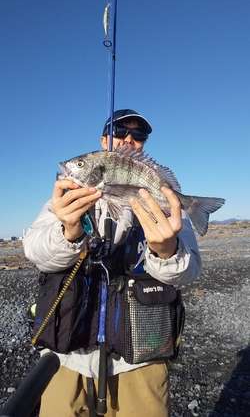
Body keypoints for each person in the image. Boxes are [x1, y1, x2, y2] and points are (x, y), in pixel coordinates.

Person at [23, 108, 202, 417]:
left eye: (139, 135)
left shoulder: (165, 200)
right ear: (105, 139)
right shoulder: (67, 197)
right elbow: (35, 251)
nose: (129, 139)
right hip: (68, 355)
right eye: (120, 133)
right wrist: (67, 231)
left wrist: (166, 250)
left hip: (141, 357)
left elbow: (190, 271)